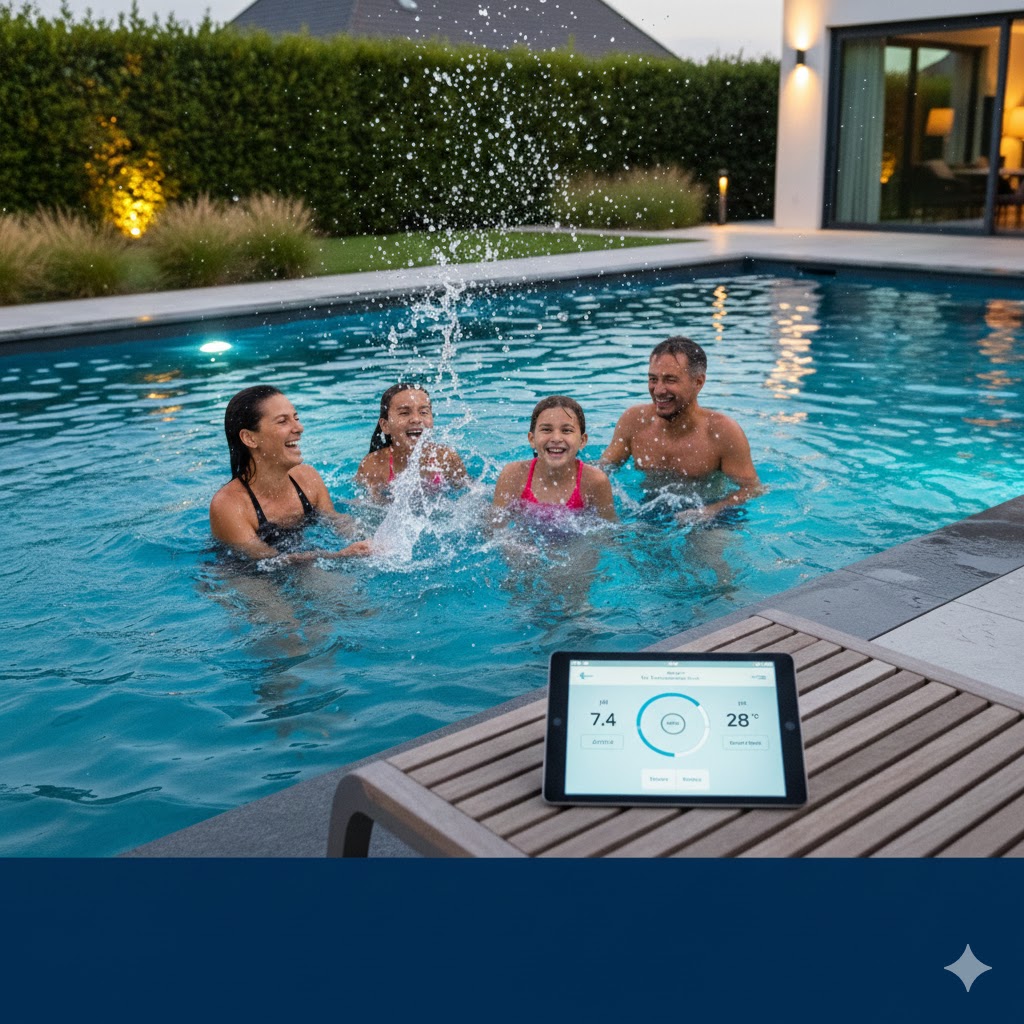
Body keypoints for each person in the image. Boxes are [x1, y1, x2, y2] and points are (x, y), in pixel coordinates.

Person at [600, 336, 762, 522]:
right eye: (653, 379)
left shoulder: (722, 432)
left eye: (670, 380)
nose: (658, 390)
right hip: (648, 508)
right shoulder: (634, 421)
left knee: (708, 546)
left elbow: (752, 488)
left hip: (710, 514)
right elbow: (603, 469)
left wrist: (710, 511)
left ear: (698, 382)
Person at [210, 385, 372, 562]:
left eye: (296, 418)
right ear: (250, 438)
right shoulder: (229, 505)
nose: (299, 428)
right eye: (282, 421)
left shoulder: (308, 478)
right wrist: (339, 556)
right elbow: (267, 560)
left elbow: (334, 520)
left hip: (302, 559)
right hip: (244, 572)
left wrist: (366, 536)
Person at [492, 395, 617, 523]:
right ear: (532, 439)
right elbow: (494, 529)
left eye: (566, 430)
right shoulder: (513, 475)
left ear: (582, 441)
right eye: (546, 429)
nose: (556, 438)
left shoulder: (595, 482)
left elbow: (608, 534)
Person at [354, 383, 468, 501]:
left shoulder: (445, 458)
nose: (416, 419)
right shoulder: (373, 465)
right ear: (385, 425)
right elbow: (368, 507)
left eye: (424, 412)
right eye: (404, 413)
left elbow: (470, 494)